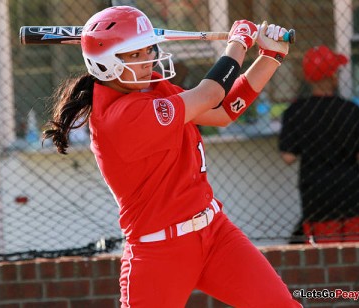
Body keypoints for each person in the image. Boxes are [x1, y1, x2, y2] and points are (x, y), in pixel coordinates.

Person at [43, 6, 301, 307]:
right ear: (106, 65)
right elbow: (209, 94)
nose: (147, 61)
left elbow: (223, 111)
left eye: (146, 50)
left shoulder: (151, 87)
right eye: (134, 55)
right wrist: (237, 44)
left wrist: (270, 57)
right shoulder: (121, 116)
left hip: (215, 234)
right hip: (159, 253)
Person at [279, 45, 359, 244]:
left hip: (316, 193)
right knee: (358, 250)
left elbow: (288, 156)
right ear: (333, 77)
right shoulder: (350, 109)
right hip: (350, 190)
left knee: (323, 253)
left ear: (307, 78)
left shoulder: (296, 112)